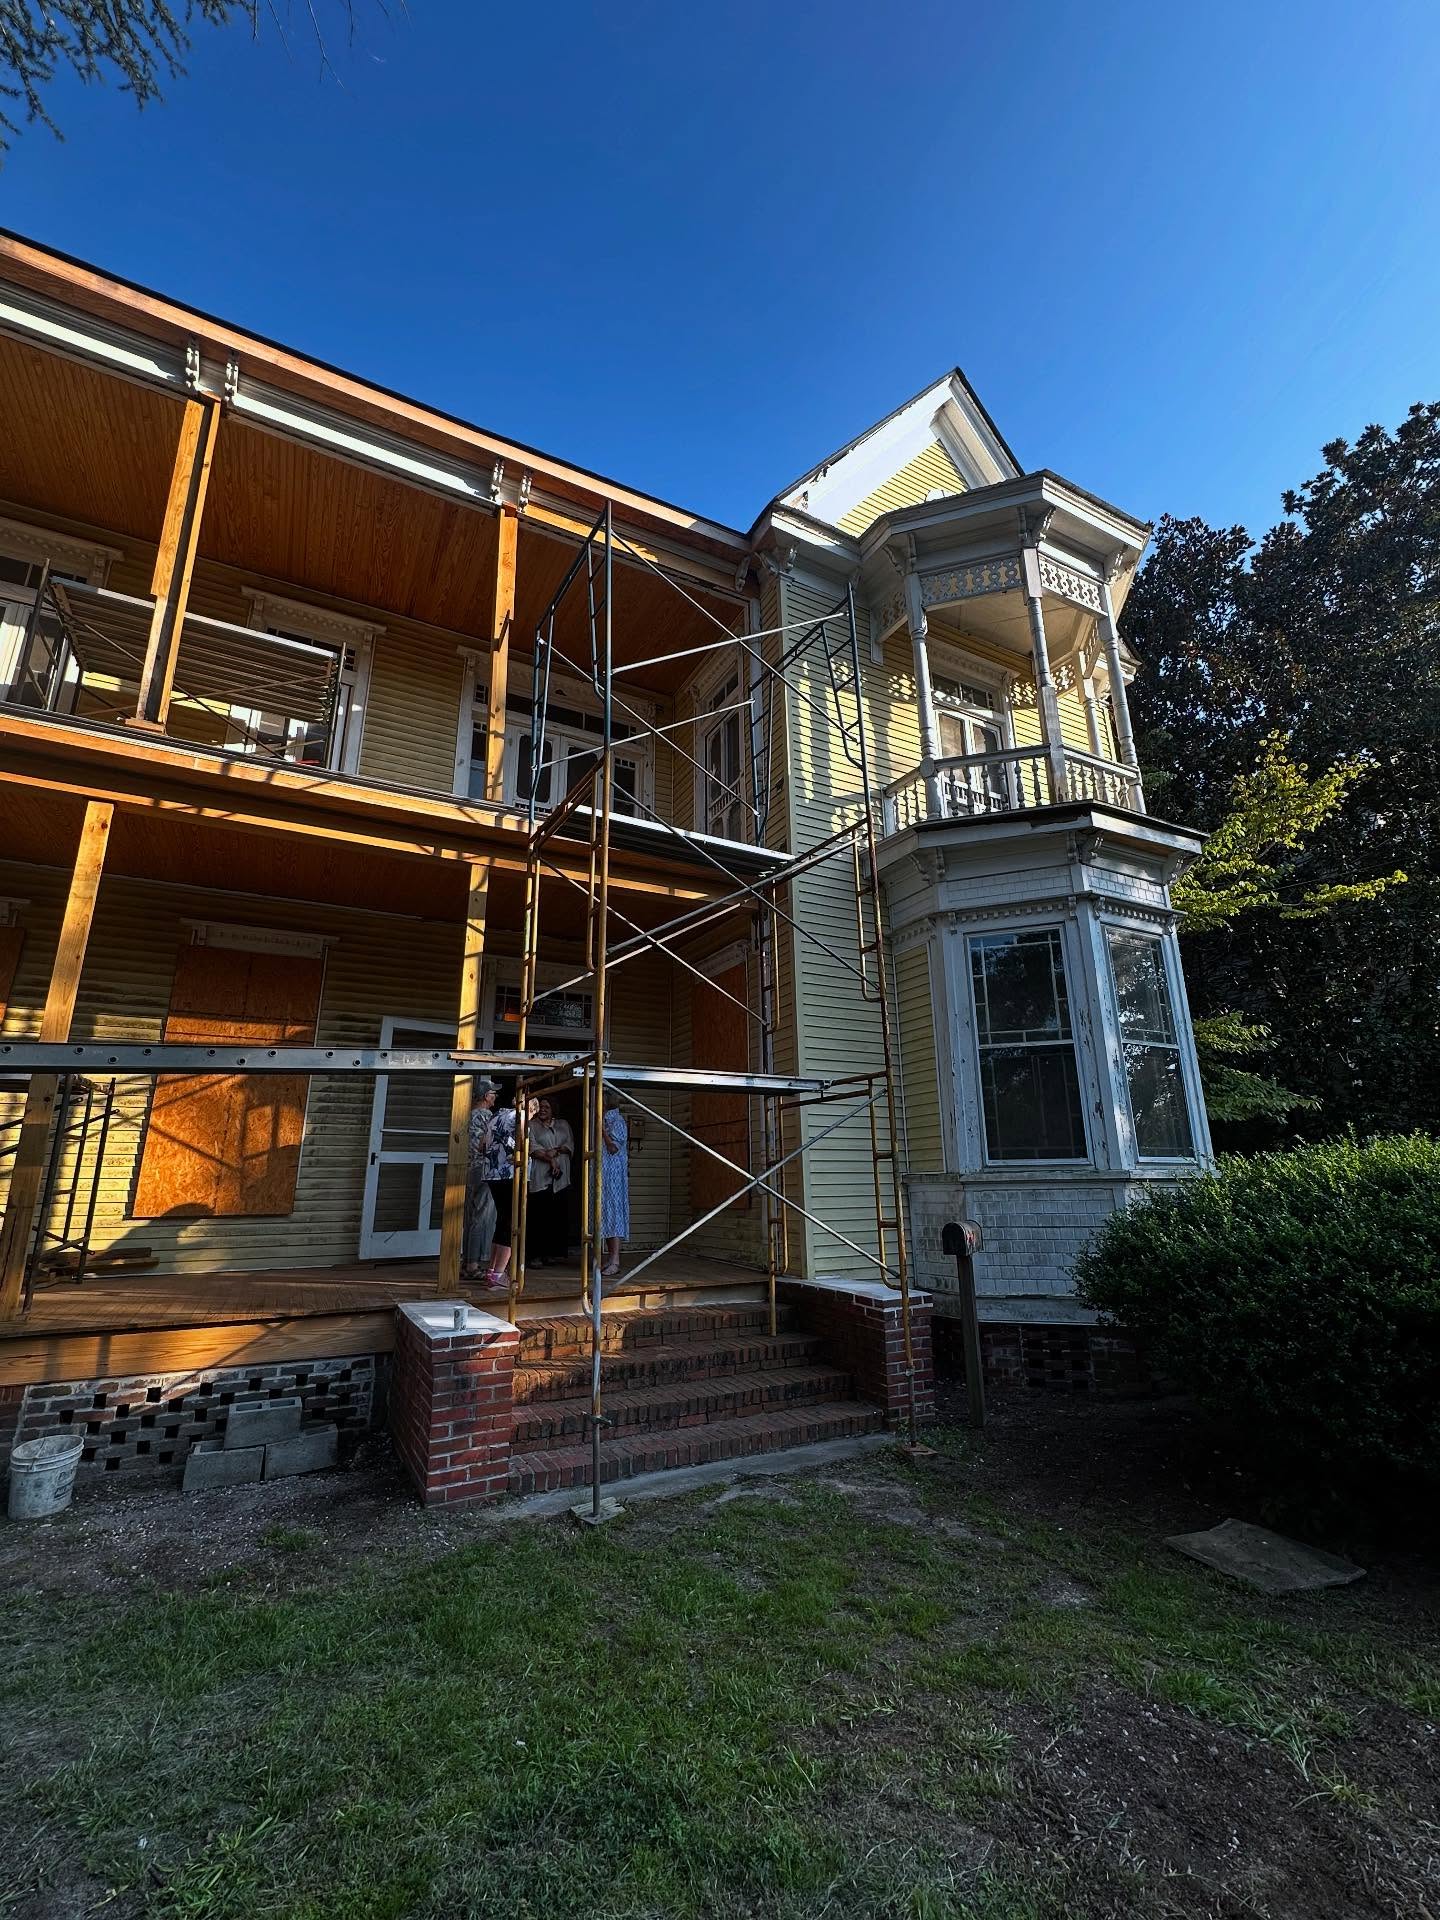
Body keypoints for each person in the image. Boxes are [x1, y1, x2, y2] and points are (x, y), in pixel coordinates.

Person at [468, 1077, 518, 1291]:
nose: (494, 1097)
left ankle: (470, 1261)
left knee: (473, 1216)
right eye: (492, 1093)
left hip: (475, 1168)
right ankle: (477, 1264)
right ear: (485, 1096)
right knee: (487, 1217)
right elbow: (484, 1146)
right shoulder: (490, 1116)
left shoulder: (471, 1115)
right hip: (490, 1169)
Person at [526, 1096, 573, 1267]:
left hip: (561, 1177)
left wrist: (557, 1150)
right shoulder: (532, 1125)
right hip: (541, 1176)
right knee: (538, 1216)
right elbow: (532, 1147)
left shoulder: (563, 1124)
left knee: (556, 1216)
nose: (543, 1109)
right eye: (541, 1107)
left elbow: (570, 1144)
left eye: (547, 1107)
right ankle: (534, 1256)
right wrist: (548, 1157)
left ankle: (551, 1254)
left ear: (553, 1108)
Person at [599, 1085, 629, 1277]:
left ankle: (615, 1259)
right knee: (606, 1215)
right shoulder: (604, 1119)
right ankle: (610, 1258)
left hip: (614, 1176)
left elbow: (613, 1148)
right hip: (604, 1174)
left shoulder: (616, 1120)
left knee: (614, 1213)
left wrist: (602, 1130)